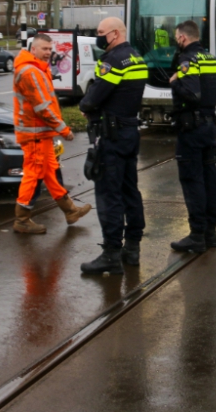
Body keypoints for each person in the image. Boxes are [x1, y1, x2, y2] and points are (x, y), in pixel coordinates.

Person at [78, 17, 148, 275]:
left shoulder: (112, 61)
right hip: (129, 132)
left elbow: (94, 97)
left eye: (100, 33)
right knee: (131, 190)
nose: (97, 37)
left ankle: (110, 253)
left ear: (115, 34)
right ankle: (132, 247)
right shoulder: (137, 58)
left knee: (109, 194)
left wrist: (86, 106)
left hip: (111, 135)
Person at [12, 33, 92, 233]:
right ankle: (22, 219)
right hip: (35, 133)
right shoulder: (30, 71)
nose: (48, 53)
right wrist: (63, 129)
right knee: (33, 174)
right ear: (33, 50)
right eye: (44, 49)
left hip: (41, 133)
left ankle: (70, 211)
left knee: (50, 172)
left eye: (50, 49)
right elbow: (43, 107)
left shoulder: (36, 69)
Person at [167, 20, 216, 253]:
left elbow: (191, 94)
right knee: (209, 176)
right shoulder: (212, 59)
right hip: (209, 128)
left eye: (177, 37)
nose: (177, 41)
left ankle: (196, 235)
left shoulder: (187, 60)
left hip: (191, 129)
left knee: (192, 179)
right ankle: (210, 233)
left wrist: (175, 82)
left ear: (183, 38)